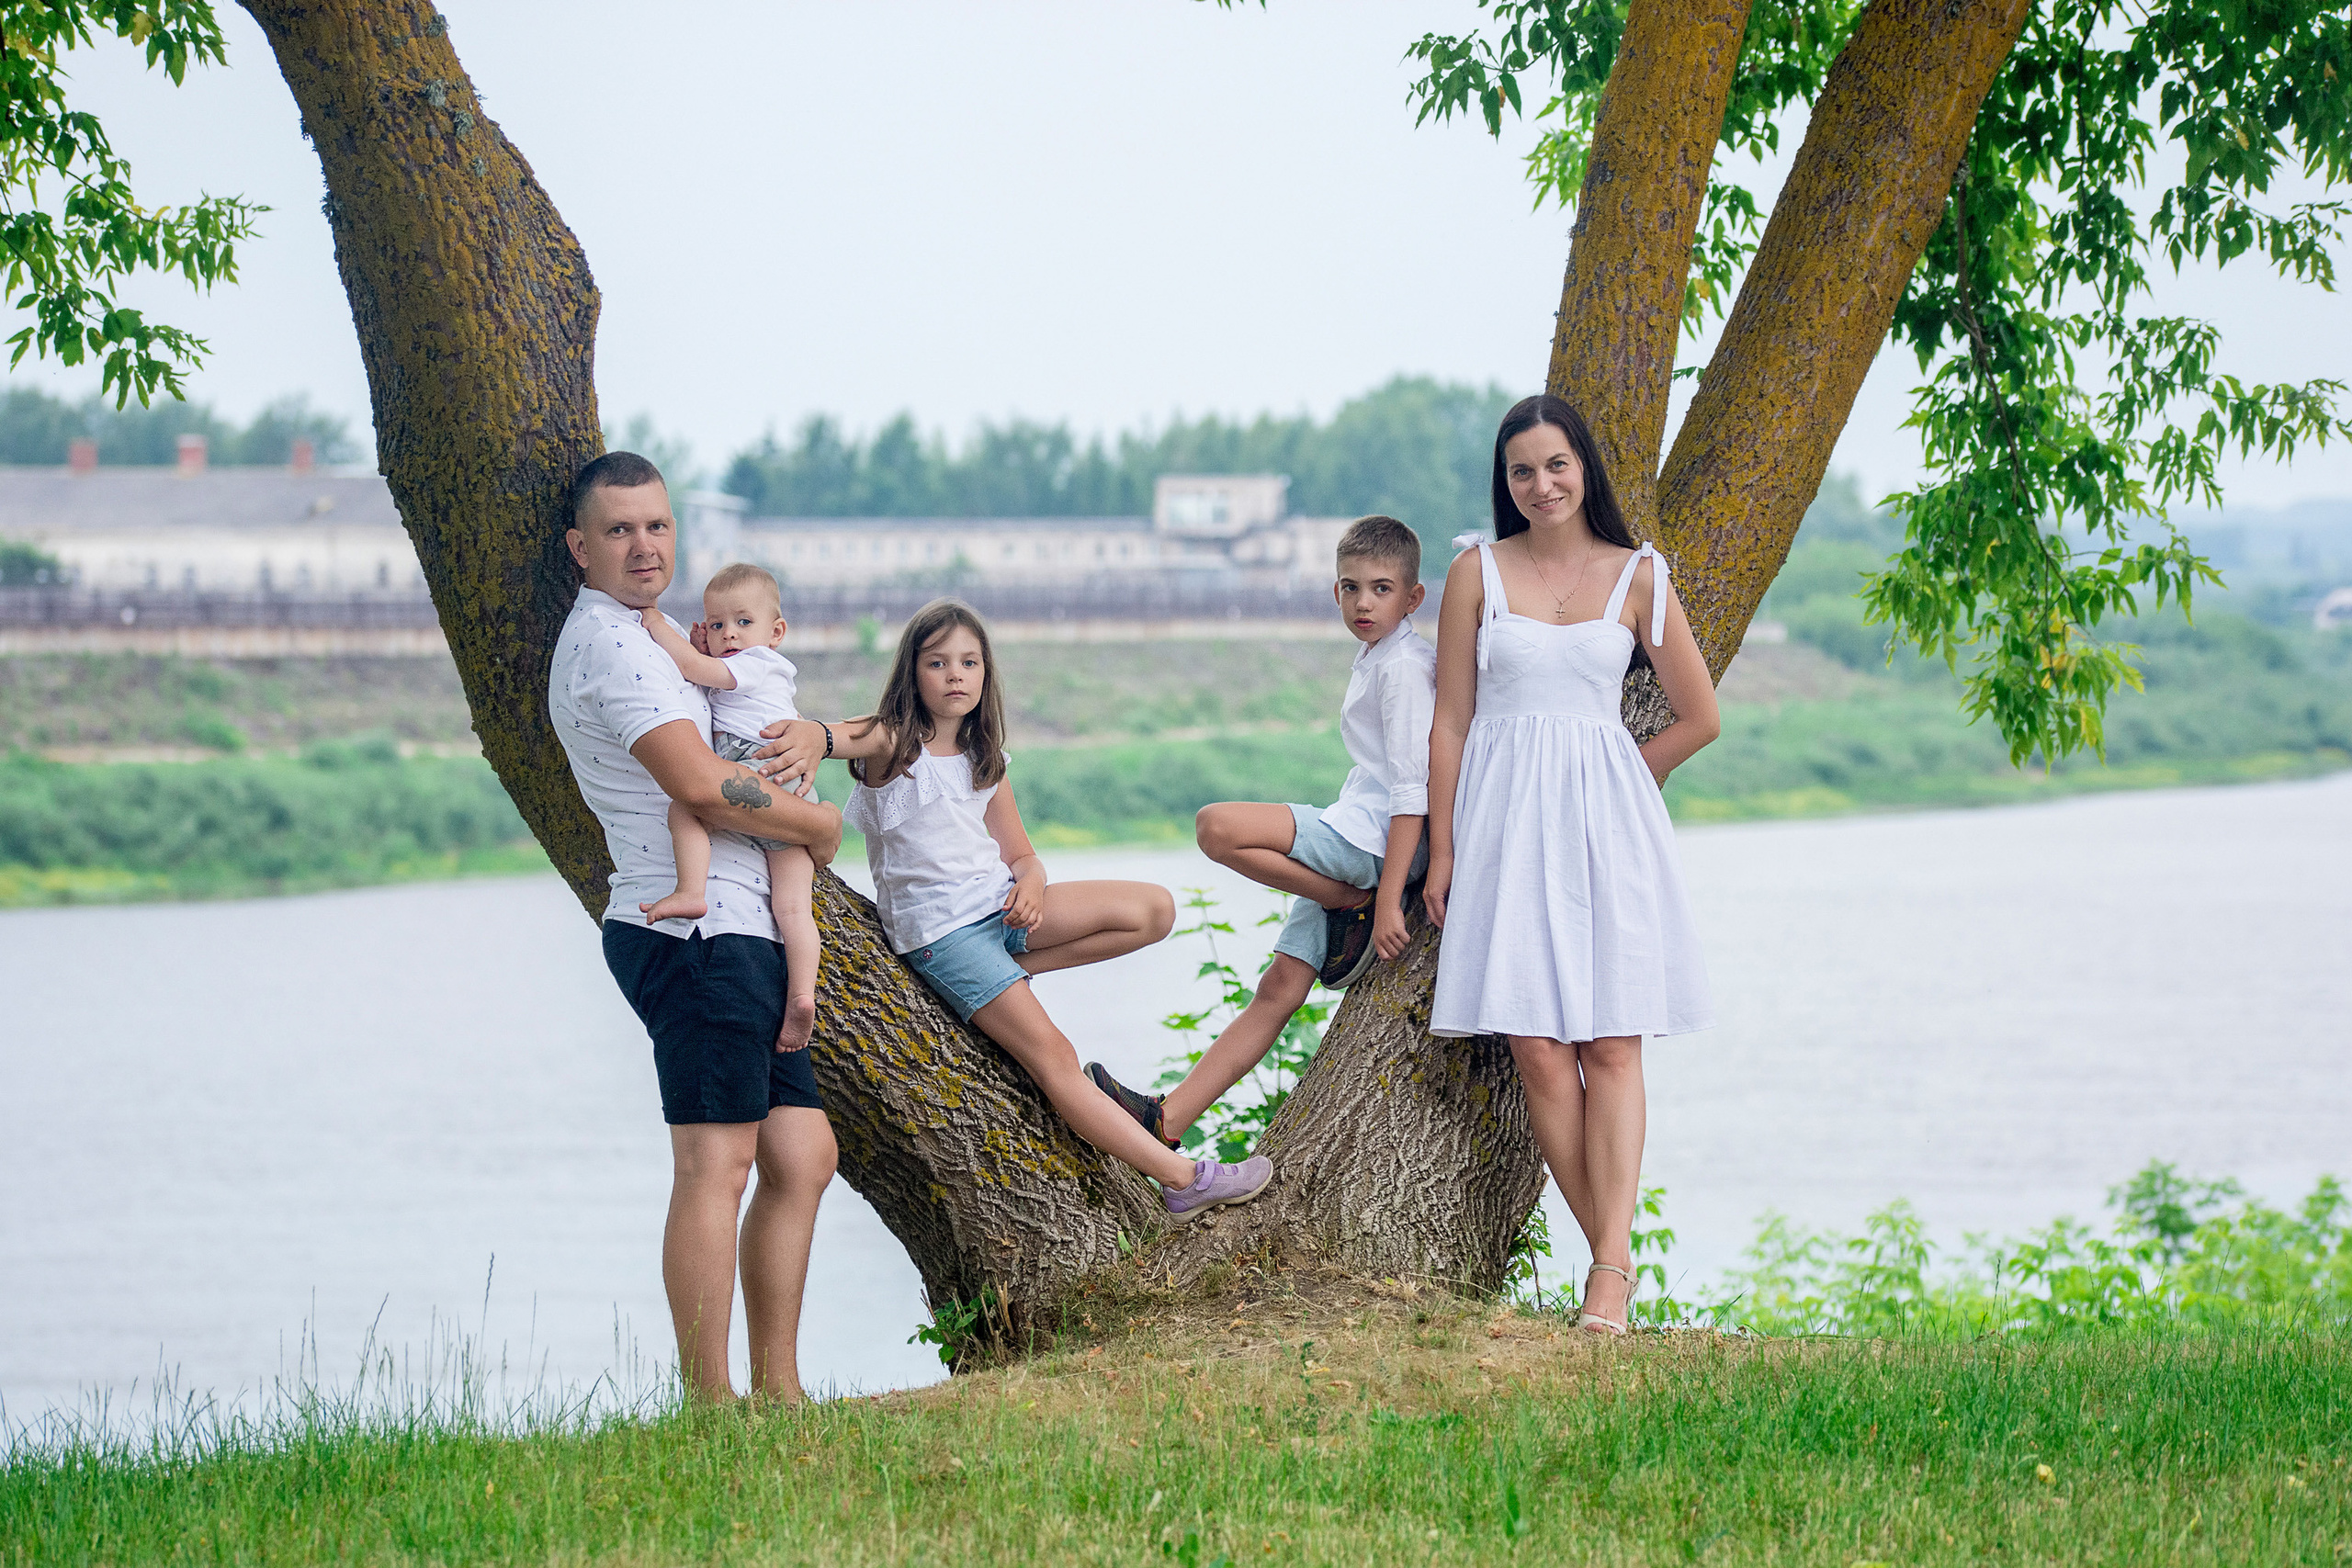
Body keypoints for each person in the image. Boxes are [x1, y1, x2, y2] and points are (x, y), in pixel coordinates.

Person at [763, 599, 1275, 1222]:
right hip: (945, 936)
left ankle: (1007, 977)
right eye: (937, 662)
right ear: (912, 673)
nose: (955, 675)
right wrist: (811, 736)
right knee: (1055, 1059)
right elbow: (838, 735)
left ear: (986, 672)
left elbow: (1022, 855)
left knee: (1153, 910)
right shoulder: (893, 742)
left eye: (969, 662)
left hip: (999, 911)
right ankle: (1183, 1179)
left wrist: (1031, 882)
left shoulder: (984, 757)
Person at [548, 451, 843, 1404]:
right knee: (717, 1163)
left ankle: (779, 1390)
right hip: (694, 935)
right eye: (620, 529)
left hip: (747, 928)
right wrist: (819, 827)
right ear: (580, 547)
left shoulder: (660, 636)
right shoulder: (613, 646)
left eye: (658, 525)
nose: (645, 545)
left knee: (802, 1153)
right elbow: (701, 785)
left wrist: (816, 741)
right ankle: (711, 1406)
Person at [1424, 395, 1719, 1337]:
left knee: (1612, 1043)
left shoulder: (1638, 576)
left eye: (1556, 464)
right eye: (1522, 470)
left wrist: (1625, 776)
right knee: (1539, 1049)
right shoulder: (1475, 571)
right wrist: (1443, 845)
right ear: (1504, 481)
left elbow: (1700, 718)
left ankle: (1606, 1277)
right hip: (1503, 826)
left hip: (1606, 828)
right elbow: (1451, 721)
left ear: (1583, 466)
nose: (1541, 484)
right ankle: (1613, 1268)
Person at [1084, 515, 1435, 1151]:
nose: (1363, 602)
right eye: (1351, 587)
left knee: (1216, 827)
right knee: (1279, 987)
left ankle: (1346, 899)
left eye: (1381, 589)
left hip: (1376, 843)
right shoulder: (1377, 656)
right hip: (1357, 825)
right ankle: (1167, 1120)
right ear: (1335, 592)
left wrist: (1385, 898)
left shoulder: (1406, 666)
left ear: (1413, 598)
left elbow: (1414, 789)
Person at [638, 562, 824, 1054]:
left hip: (753, 768)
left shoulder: (760, 662)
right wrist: (703, 649)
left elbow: (697, 671)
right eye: (717, 624)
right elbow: (710, 677)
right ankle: (801, 996)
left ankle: (691, 889)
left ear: (775, 633)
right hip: (789, 790)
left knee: (683, 809)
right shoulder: (746, 668)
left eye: (743, 622)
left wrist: (658, 626)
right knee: (792, 907)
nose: (730, 634)